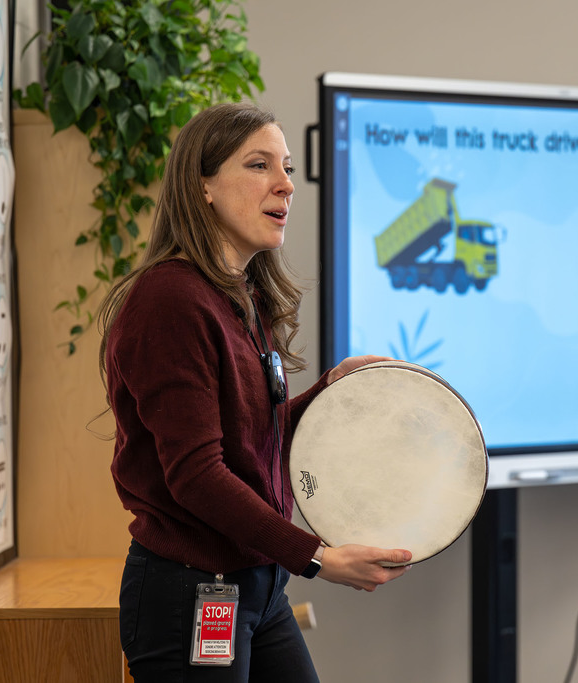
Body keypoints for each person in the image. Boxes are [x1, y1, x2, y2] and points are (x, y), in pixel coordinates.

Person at [98, 101, 412, 682]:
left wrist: (326, 393)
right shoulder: (170, 301)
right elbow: (196, 474)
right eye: (260, 165)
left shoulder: (238, 295)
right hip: (191, 591)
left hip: (259, 586)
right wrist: (316, 555)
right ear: (204, 187)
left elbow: (245, 438)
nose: (286, 185)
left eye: (288, 167)